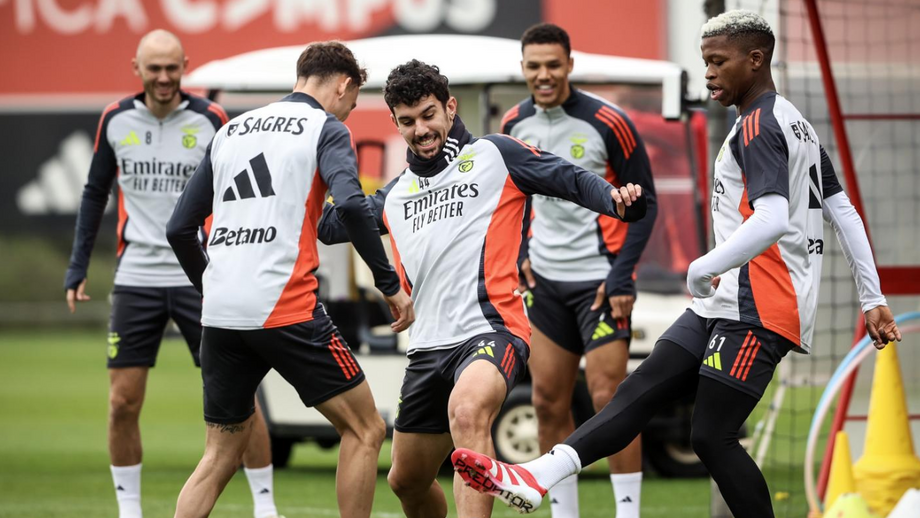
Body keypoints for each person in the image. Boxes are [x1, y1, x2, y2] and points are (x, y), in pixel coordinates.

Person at [452, 10, 902, 517]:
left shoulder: (759, 124)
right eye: (704, 62)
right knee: (638, 390)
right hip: (726, 300)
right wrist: (873, 298)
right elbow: (844, 211)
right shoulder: (792, 122)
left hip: (760, 306)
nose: (708, 72)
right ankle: (538, 476)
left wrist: (701, 267)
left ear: (756, 61)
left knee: (712, 436)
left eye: (717, 62)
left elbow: (774, 217)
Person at [316, 59, 648, 518]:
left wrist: (614, 200)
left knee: (468, 411)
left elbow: (566, 177)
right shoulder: (392, 195)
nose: (421, 130)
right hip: (426, 349)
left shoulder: (495, 154)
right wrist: (310, 162)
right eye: (407, 121)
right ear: (394, 123)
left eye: (429, 114)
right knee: (406, 482)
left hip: (491, 332)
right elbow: (330, 224)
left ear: (450, 108)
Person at [165, 41, 414, 518]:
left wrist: (212, 290)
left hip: (220, 316)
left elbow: (179, 229)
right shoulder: (326, 128)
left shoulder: (230, 130)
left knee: (218, 455)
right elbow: (353, 206)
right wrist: (390, 285)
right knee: (366, 430)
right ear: (343, 84)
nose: (349, 109)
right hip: (286, 309)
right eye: (354, 99)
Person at [64, 29, 282, 518]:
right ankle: (130, 511)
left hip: (201, 278)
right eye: (153, 69)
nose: (163, 78)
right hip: (135, 279)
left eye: (171, 68)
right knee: (122, 402)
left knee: (238, 397)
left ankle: (266, 507)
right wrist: (78, 265)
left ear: (185, 65)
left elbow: (239, 196)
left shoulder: (212, 120)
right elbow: (94, 193)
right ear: (136, 69)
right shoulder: (116, 119)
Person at [501, 23, 658, 518]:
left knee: (612, 398)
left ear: (570, 64)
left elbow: (644, 203)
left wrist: (622, 277)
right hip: (544, 286)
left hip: (599, 284)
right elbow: (510, 199)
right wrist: (519, 253)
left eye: (553, 65)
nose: (544, 75)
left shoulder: (609, 121)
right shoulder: (512, 124)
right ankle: (564, 513)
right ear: (523, 69)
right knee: (548, 400)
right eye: (534, 66)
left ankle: (627, 513)